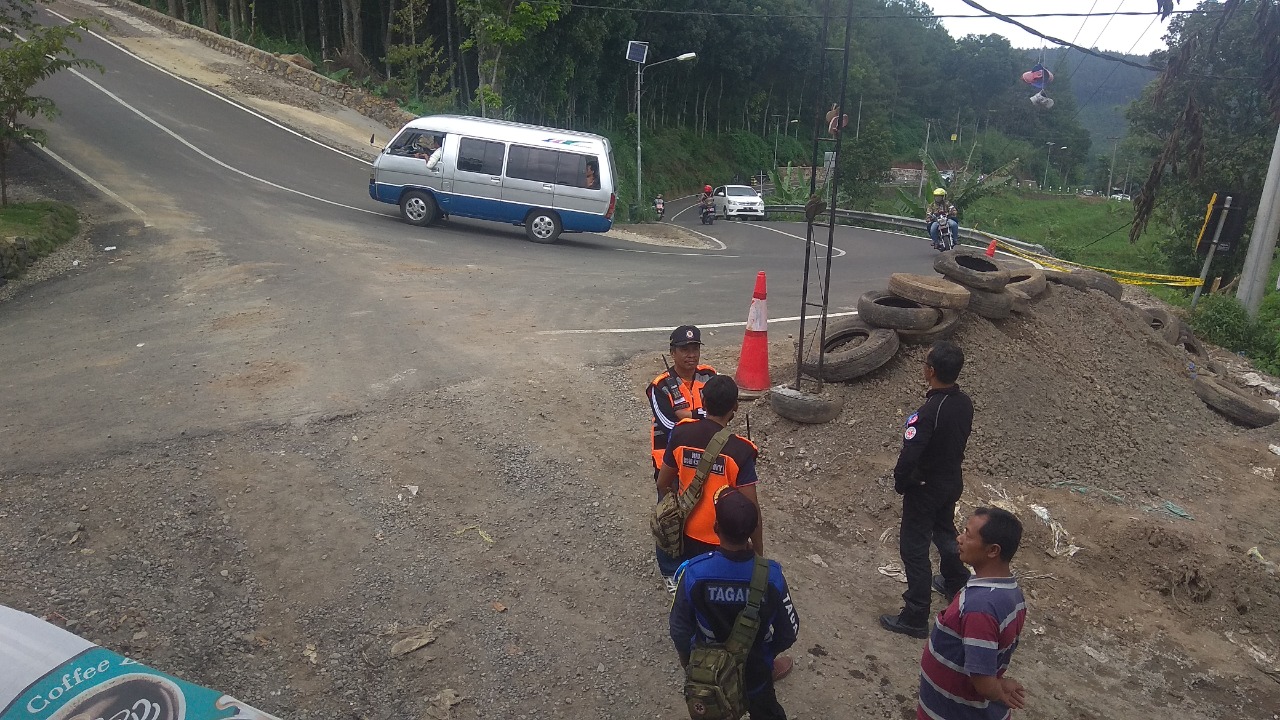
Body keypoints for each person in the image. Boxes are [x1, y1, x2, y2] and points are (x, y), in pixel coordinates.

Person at [669, 489, 799, 719]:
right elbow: (789, 630)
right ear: (751, 531)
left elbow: (680, 628)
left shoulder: (694, 573)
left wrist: (688, 661)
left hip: (711, 674)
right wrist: (767, 655)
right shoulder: (771, 576)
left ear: (716, 527)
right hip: (756, 673)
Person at [880, 341, 974, 639]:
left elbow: (910, 455)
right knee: (945, 532)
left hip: (926, 488)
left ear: (930, 371)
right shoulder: (964, 403)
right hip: (950, 482)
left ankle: (916, 614)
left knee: (914, 549)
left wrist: (901, 482)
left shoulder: (928, 412)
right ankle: (956, 580)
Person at [917, 507, 1027, 719]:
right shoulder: (1011, 593)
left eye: (968, 534)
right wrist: (1000, 683)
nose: (959, 538)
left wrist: (998, 690)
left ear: (993, 550)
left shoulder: (980, 607)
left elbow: (984, 683)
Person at [657, 374, 763, 562]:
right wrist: (759, 555)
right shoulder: (741, 450)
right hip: (724, 540)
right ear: (735, 407)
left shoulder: (681, 433)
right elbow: (751, 509)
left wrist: (683, 501)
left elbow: (663, 483)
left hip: (685, 532)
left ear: (703, 402)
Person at [647, 326, 717, 583]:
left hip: (707, 459)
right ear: (672, 352)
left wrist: (690, 416)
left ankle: (699, 564)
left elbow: (721, 409)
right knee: (669, 516)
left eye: (695, 348)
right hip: (669, 463)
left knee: (702, 512)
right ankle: (670, 572)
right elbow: (669, 424)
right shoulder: (659, 386)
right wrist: (702, 417)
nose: (691, 355)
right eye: (684, 349)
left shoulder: (710, 376)